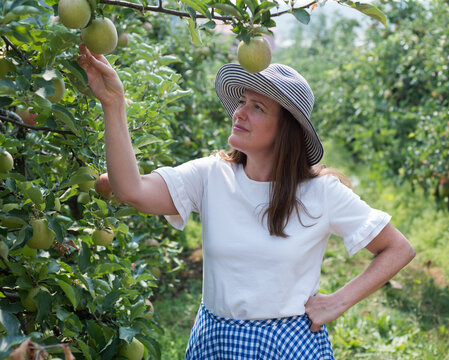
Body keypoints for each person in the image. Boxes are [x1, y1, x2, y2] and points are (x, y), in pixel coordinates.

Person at [78, 42, 416, 360]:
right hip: (215, 338)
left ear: (286, 130)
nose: (239, 113)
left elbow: (398, 248)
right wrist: (113, 103)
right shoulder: (211, 176)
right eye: (242, 102)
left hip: (287, 344)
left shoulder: (320, 193)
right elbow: (130, 190)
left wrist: (338, 302)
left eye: (258, 107)